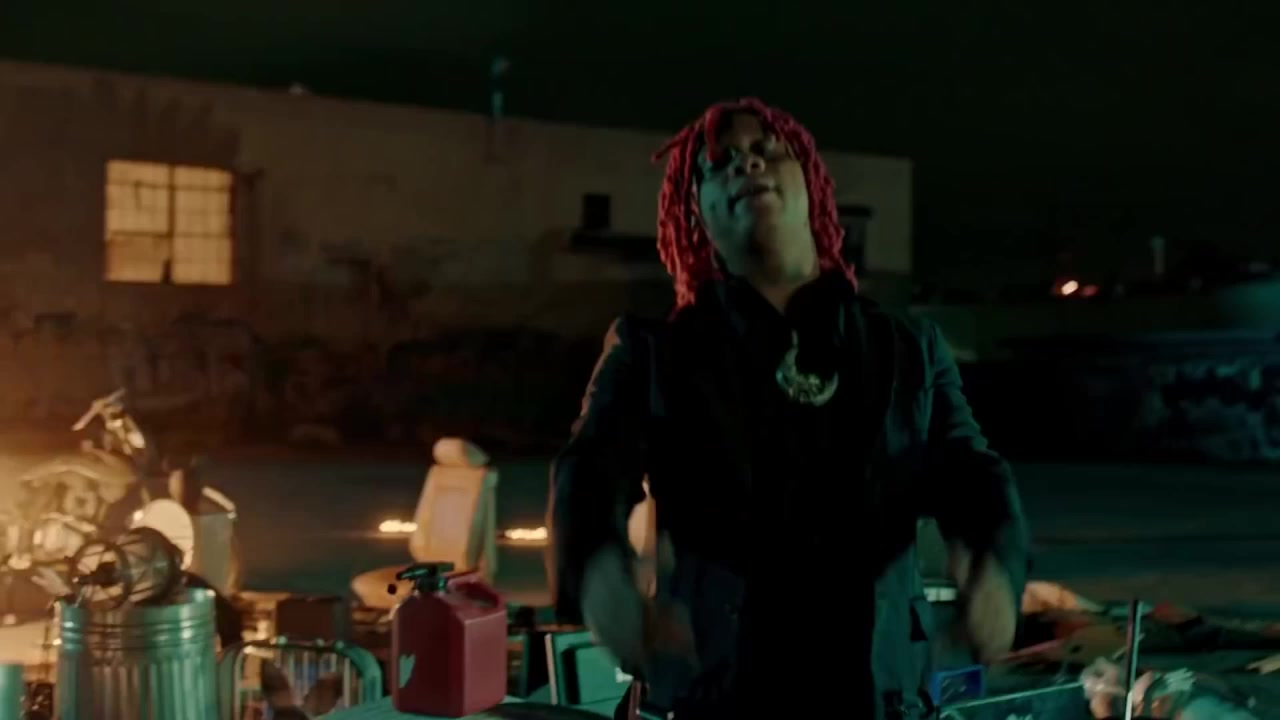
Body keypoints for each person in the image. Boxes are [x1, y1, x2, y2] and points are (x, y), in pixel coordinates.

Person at [547, 98, 1029, 719]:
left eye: (766, 151)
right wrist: (599, 574)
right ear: (697, 213)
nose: (747, 164)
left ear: (811, 182)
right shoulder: (655, 354)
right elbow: (589, 469)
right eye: (721, 163)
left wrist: (994, 569)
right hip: (715, 698)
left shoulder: (907, 349)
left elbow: (972, 473)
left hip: (874, 699)